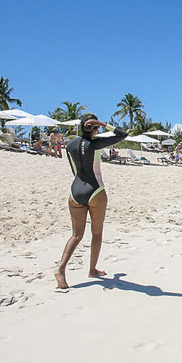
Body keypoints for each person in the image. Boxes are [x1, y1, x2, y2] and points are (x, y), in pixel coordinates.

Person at [55, 114, 127, 290]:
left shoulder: (69, 144)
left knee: (76, 235)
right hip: (95, 190)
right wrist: (104, 124)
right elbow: (122, 134)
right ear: (95, 128)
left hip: (76, 190)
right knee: (96, 233)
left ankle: (61, 269)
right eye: (97, 127)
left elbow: (73, 168)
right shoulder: (95, 144)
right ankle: (92, 269)